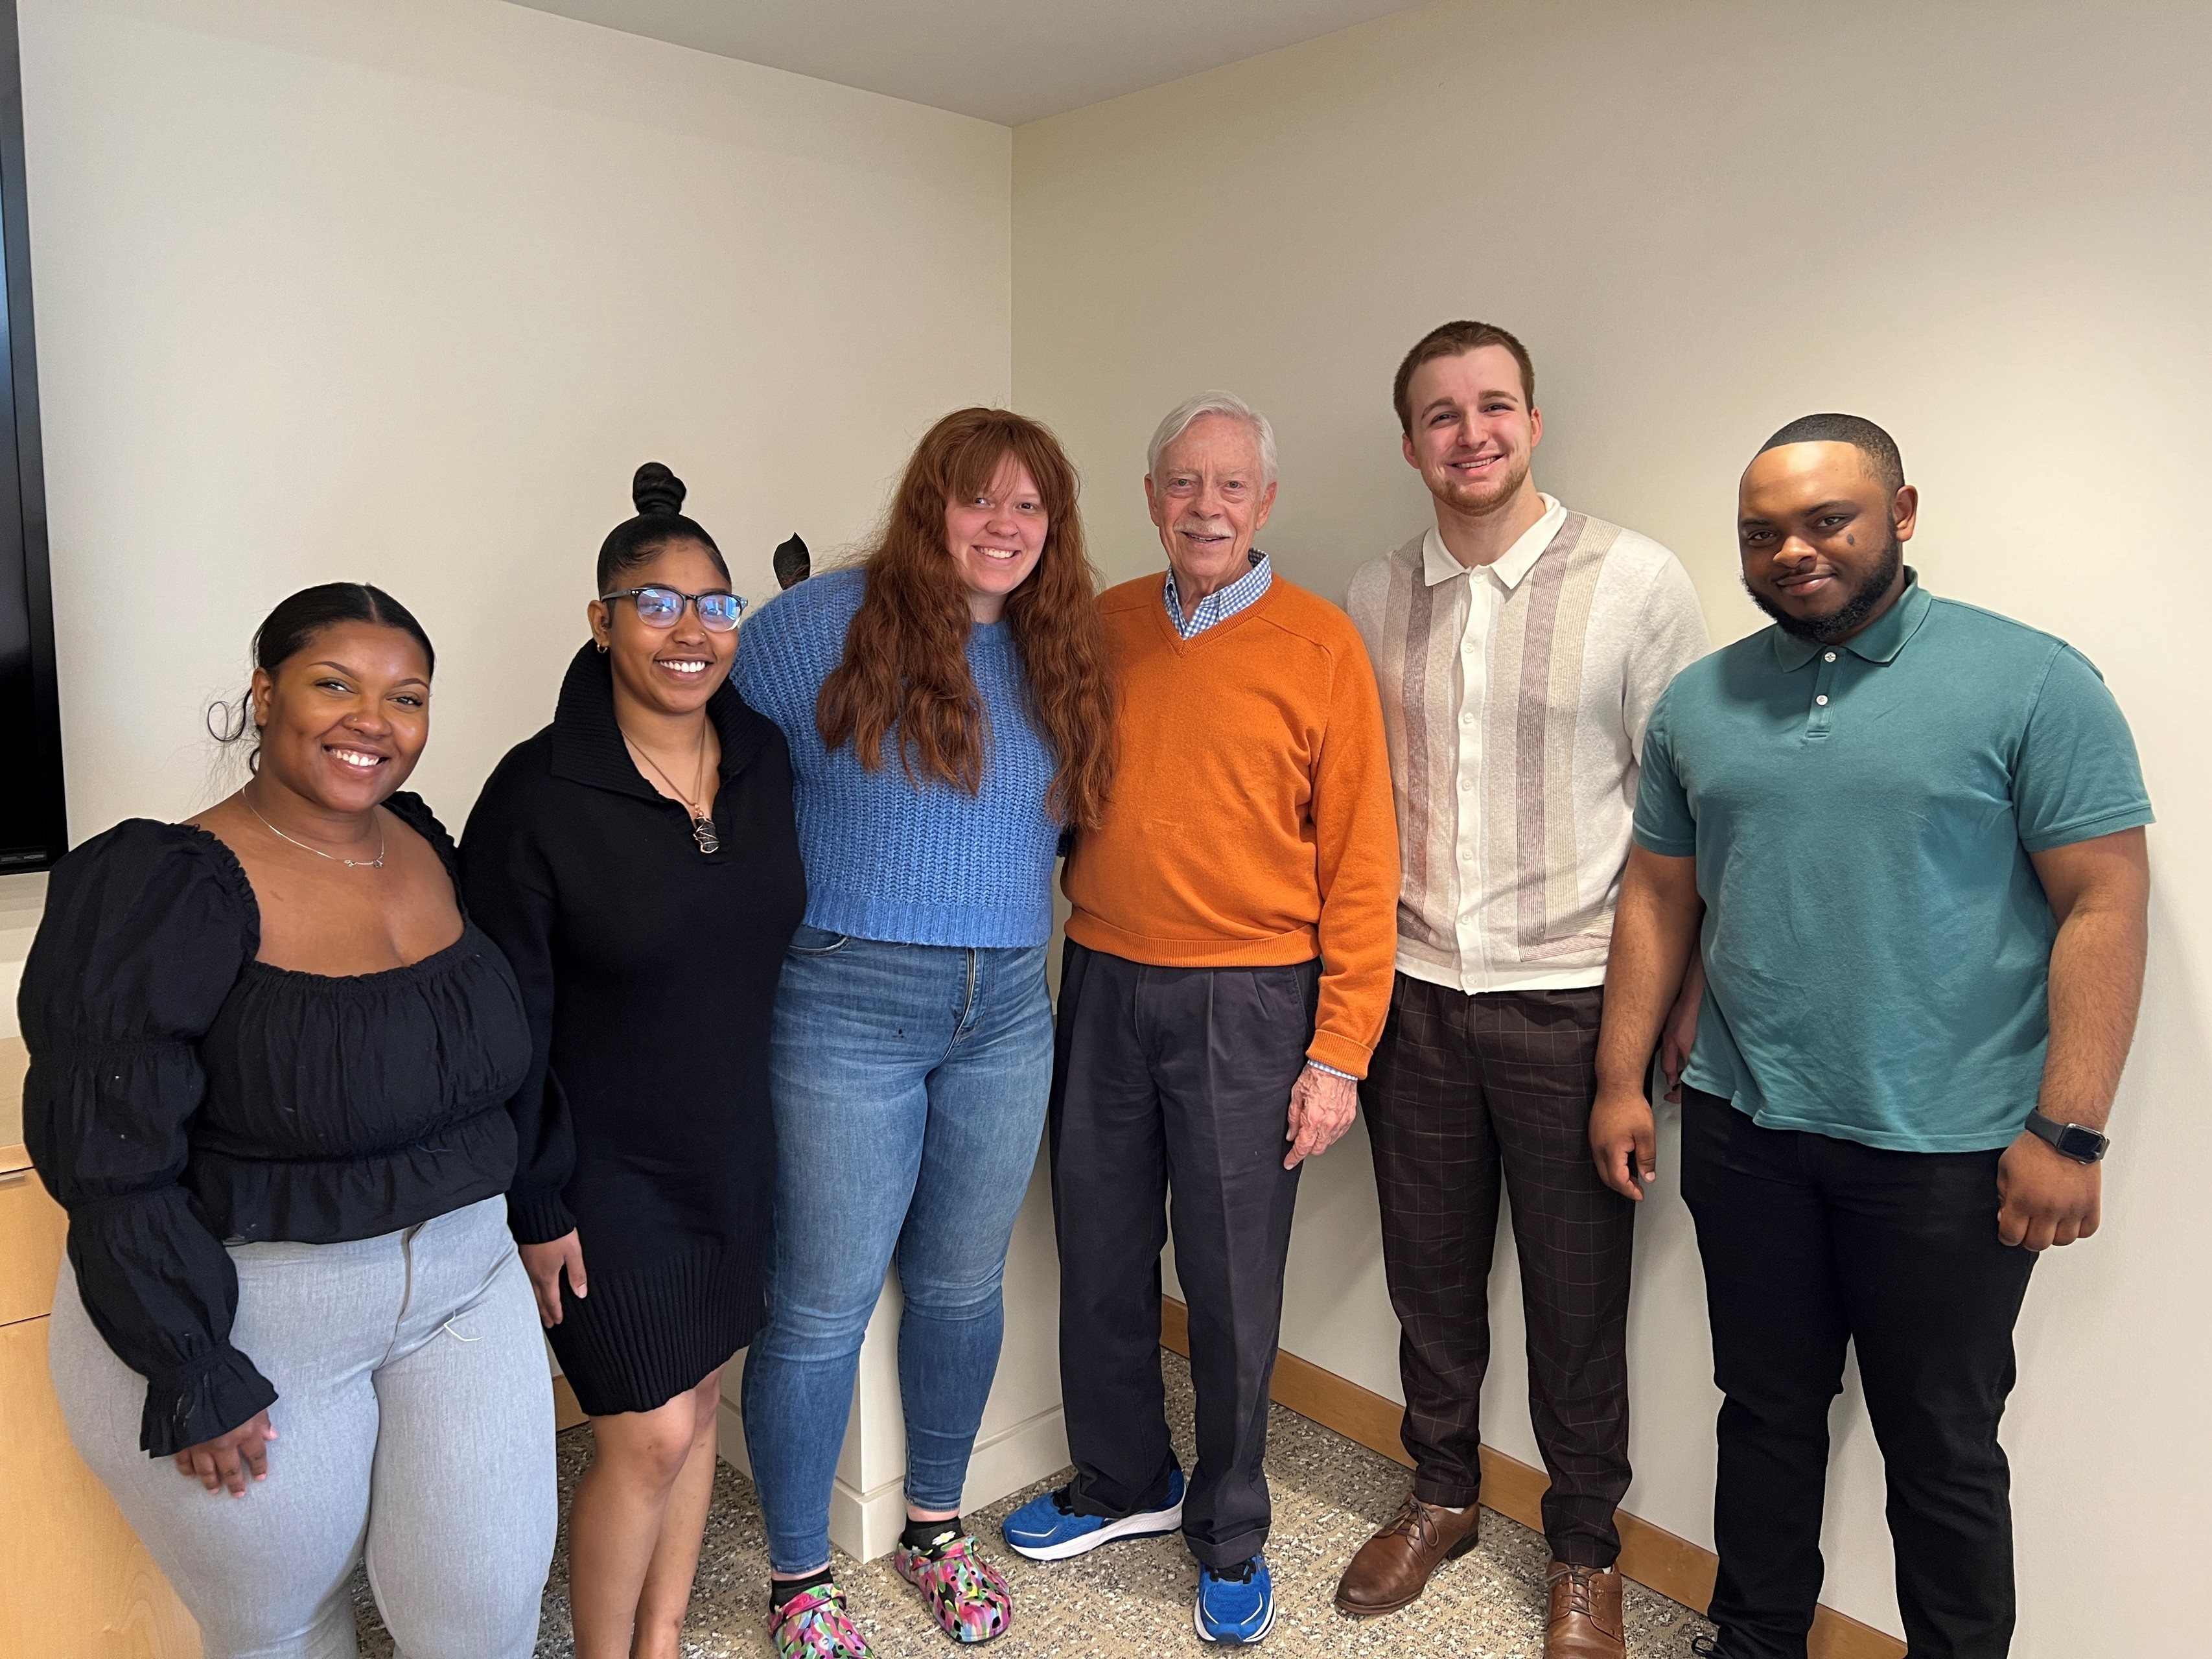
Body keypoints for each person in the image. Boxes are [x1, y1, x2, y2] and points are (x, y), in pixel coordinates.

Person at [1590, 416, 2152, 1659]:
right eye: (1760, 533)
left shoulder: (2032, 681)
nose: (1792, 551)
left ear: (1900, 513)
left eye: (1825, 521)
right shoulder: (1702, 699)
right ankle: (1754, 1640)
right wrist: (1618, 1077)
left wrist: (2068, 1125)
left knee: (1940, 1446)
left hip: (1949, 1150)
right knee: (1765, 1414)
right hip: (1746, 1127)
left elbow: (2103, 900)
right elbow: (1657, 895)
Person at [20, 583, 555, 1659]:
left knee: (486, 1620)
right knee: (282, 1630)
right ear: (264, 694)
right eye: (334, 685)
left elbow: (490, 1068)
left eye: (406, 697)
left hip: (464, 1282)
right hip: (253, 1311)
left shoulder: (415, 835)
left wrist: (534, 1213)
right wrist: (190, 1365)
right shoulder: (158, 885)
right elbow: (106, 1160)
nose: (374, 721)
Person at [1336, 321, 1709, 1656]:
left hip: (1573, 1001)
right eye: (1441, 413)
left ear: (1533, 423)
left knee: (1575, 1296)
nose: (1471, 432)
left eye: (1495, 406)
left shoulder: (1638, 580)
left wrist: (1674, 1002)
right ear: (1410, 441)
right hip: (1418, 993)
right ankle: (1442, 1492)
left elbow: (1684, 815)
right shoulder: (1373, 596)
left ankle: (1586, 1547)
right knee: (1430, 1282)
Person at [1003, 391, 1399, 1646]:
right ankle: (1125, 1477)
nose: (1206, 506)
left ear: (1266, 503)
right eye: (1183, 483)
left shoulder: (1322, 644)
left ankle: (1229, 1525)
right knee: (1101, 1245)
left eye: (1231, 486)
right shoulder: (1100, 625)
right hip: (1107, 977)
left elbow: (1362, 863)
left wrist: (1339, 1049)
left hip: (1254, 995)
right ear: (1151, 496)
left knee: (1231, 1279)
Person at [733, 408, 1116, 1658]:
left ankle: (933, 1529)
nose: (1002, 528)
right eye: (977, 501)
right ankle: (798, 1577)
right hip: (844, 1004)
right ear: (927, 506)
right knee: (819, 1305)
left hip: (1007, 1003)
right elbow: (692, 747)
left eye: (1028, 507)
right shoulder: (814, 630)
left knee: (960, 1285)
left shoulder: (1064, 647)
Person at [461, 465, 806, 1659]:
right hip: (599, 1167)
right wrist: (538, 1197)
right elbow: (505, 1017)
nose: (692, 629)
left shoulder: (763, 761)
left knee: (700, 1404)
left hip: (733, 1150)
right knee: (644, 1433)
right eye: (655, 603)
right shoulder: (535, 795)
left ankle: (661, 1640)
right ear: (601, 620)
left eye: (715, 602)